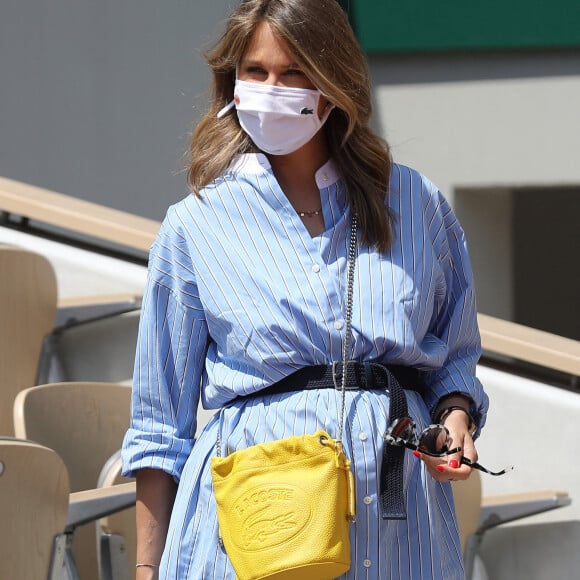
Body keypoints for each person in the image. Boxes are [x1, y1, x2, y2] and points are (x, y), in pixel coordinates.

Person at [121, 1, 489, 578]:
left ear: (333, 82)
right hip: (256, 524)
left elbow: (456, 354)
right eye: (255, 71)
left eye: (294, 72)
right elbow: (160, 421)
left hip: (400, 527)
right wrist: (145, 568)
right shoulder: (195, 224)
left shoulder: (416, 204)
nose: (272, 88)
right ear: (231, 84)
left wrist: (457, 414)